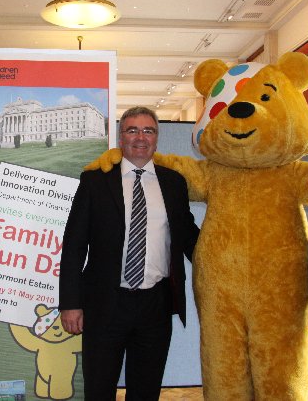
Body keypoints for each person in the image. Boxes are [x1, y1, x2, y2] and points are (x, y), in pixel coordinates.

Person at [59, 106, 200, 400]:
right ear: (120, 138)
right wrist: (70, 303)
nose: (140, 137)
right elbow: (74, 245)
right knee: (99, 389)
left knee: (146, 390)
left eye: (148, 130)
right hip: (105, 304)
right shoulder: (95, 182)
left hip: (155, 305)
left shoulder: (174, 183)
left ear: (156, 138)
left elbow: (190, 239)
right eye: (132, 130)